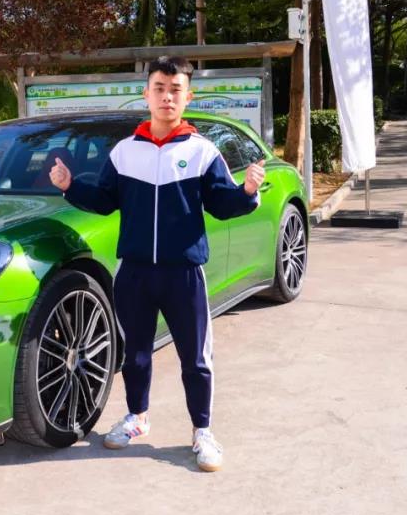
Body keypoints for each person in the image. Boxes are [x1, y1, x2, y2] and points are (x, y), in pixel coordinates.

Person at [49, 55, 265, 472]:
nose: (167, 97)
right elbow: (105, 199)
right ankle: (137, 417)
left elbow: (222, 204)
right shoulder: (125, 152)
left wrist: (247, 191)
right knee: (135, 354)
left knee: (195, 358)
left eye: (175, 90)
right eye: (160, 89)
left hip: (184, 273)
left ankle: (202, 431)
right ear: (146, 94)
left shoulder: (202, 152)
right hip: (134, 272)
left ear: (188, 97)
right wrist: (70, 186)